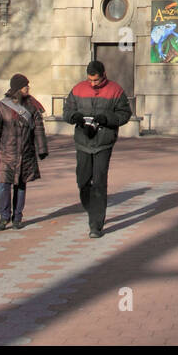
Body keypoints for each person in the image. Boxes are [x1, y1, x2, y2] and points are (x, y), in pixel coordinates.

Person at [62, 59, 132, 237]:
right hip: (83, 142)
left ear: (104, 76)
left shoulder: (116, 90)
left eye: (96, 80)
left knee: (99, 181)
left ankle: (96, 224)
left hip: (103, 143)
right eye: (90, 80)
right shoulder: (78, 89)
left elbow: (124, 114)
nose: (93, 84)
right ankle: (91, 209)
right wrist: (75, 117)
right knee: (83, 181)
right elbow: (67, 111)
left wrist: (106, 118)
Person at [0, 73, 48, 231]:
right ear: (17, 88)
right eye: (25, 85)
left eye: (28, 85)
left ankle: (17, 218)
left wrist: (42, 148)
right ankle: (4, 217)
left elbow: (39, 128)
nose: (28, 88)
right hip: (5, 154)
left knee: (21, 186)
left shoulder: (32, 106)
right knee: (3, 186)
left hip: (25, 152)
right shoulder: (1, 107)